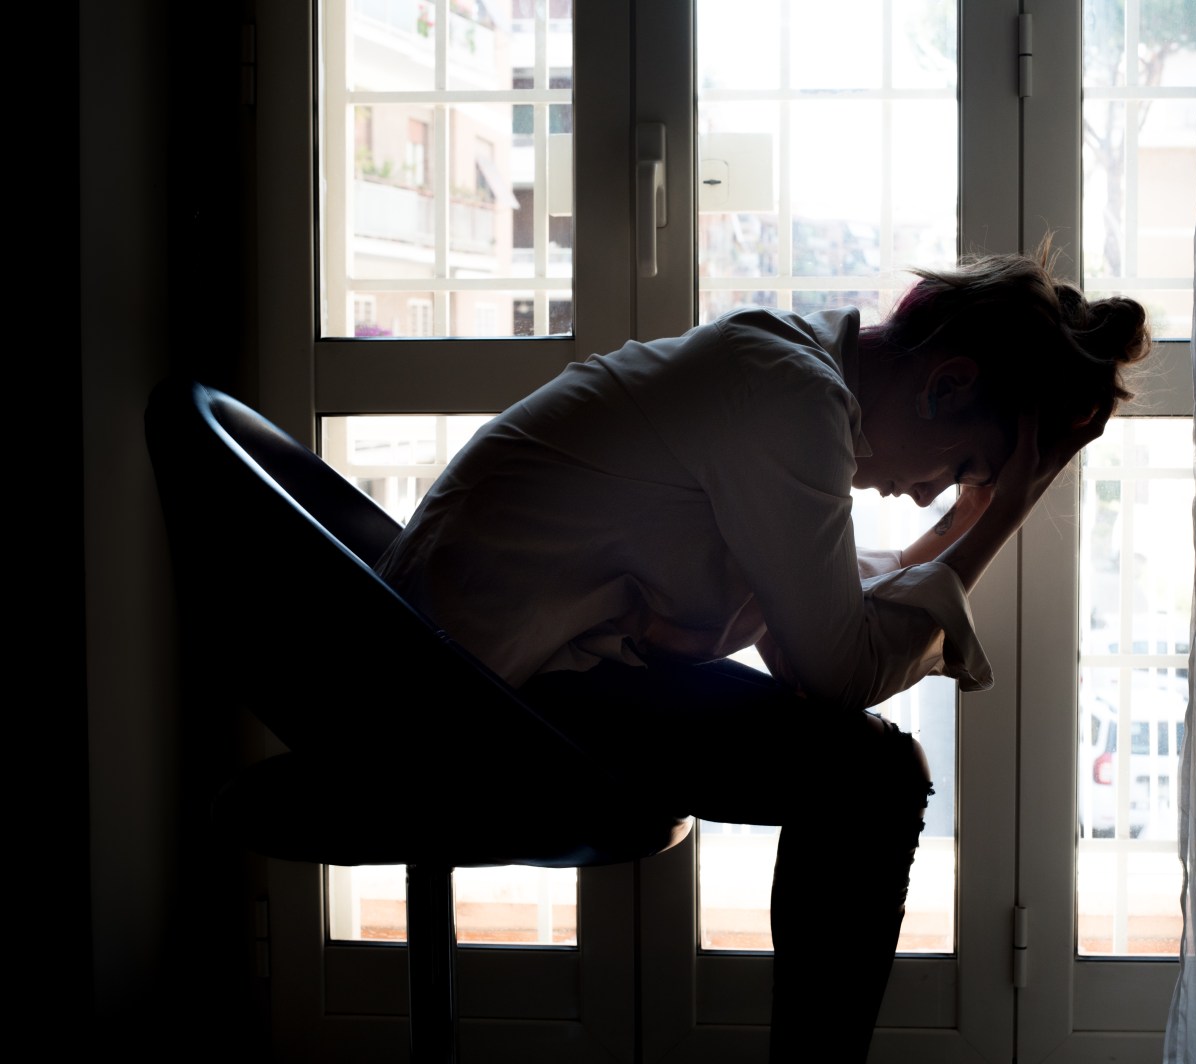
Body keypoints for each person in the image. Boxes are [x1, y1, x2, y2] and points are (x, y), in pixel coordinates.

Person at [376, 242, 1150, 1061]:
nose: (928, 492)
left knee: (870, 771)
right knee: (874, 778)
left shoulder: (793, 376)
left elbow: (826, 618)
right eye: (959, 466)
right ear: (948, 383)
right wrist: (996, 515)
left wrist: (982, 512)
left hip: (508, 674)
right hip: (456, 701)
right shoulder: (790, 398)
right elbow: (839, 666)